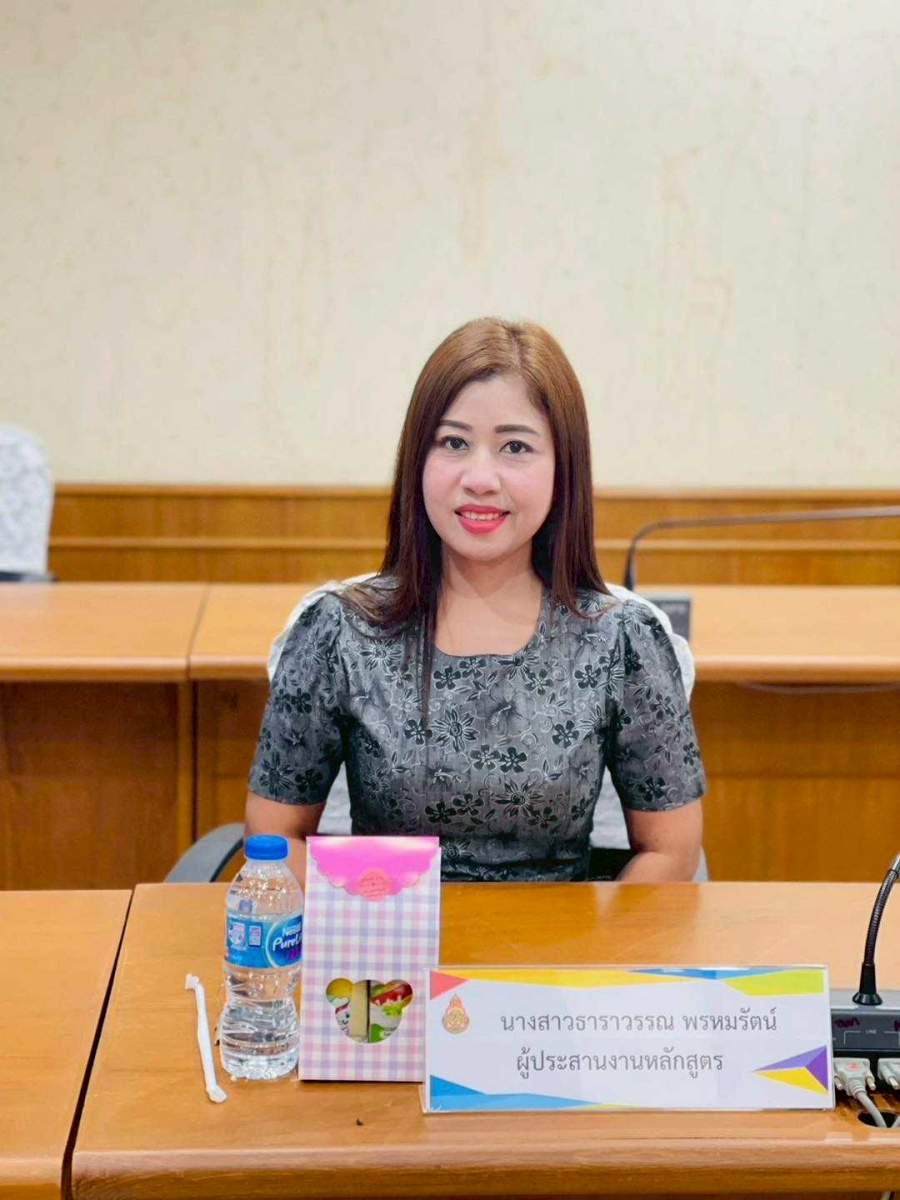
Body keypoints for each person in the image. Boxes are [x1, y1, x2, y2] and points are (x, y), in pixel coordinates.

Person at [246, 317, 705, 885]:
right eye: (454, 443)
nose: (480, 477)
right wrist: (358, 922)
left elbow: (670, 853)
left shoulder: (621, 639)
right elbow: (274, 838)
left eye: (515, 447)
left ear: (564, 468)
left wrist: (598, 941)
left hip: (557, 941)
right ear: (417, 459)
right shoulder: (339, 630)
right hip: (386, 935)